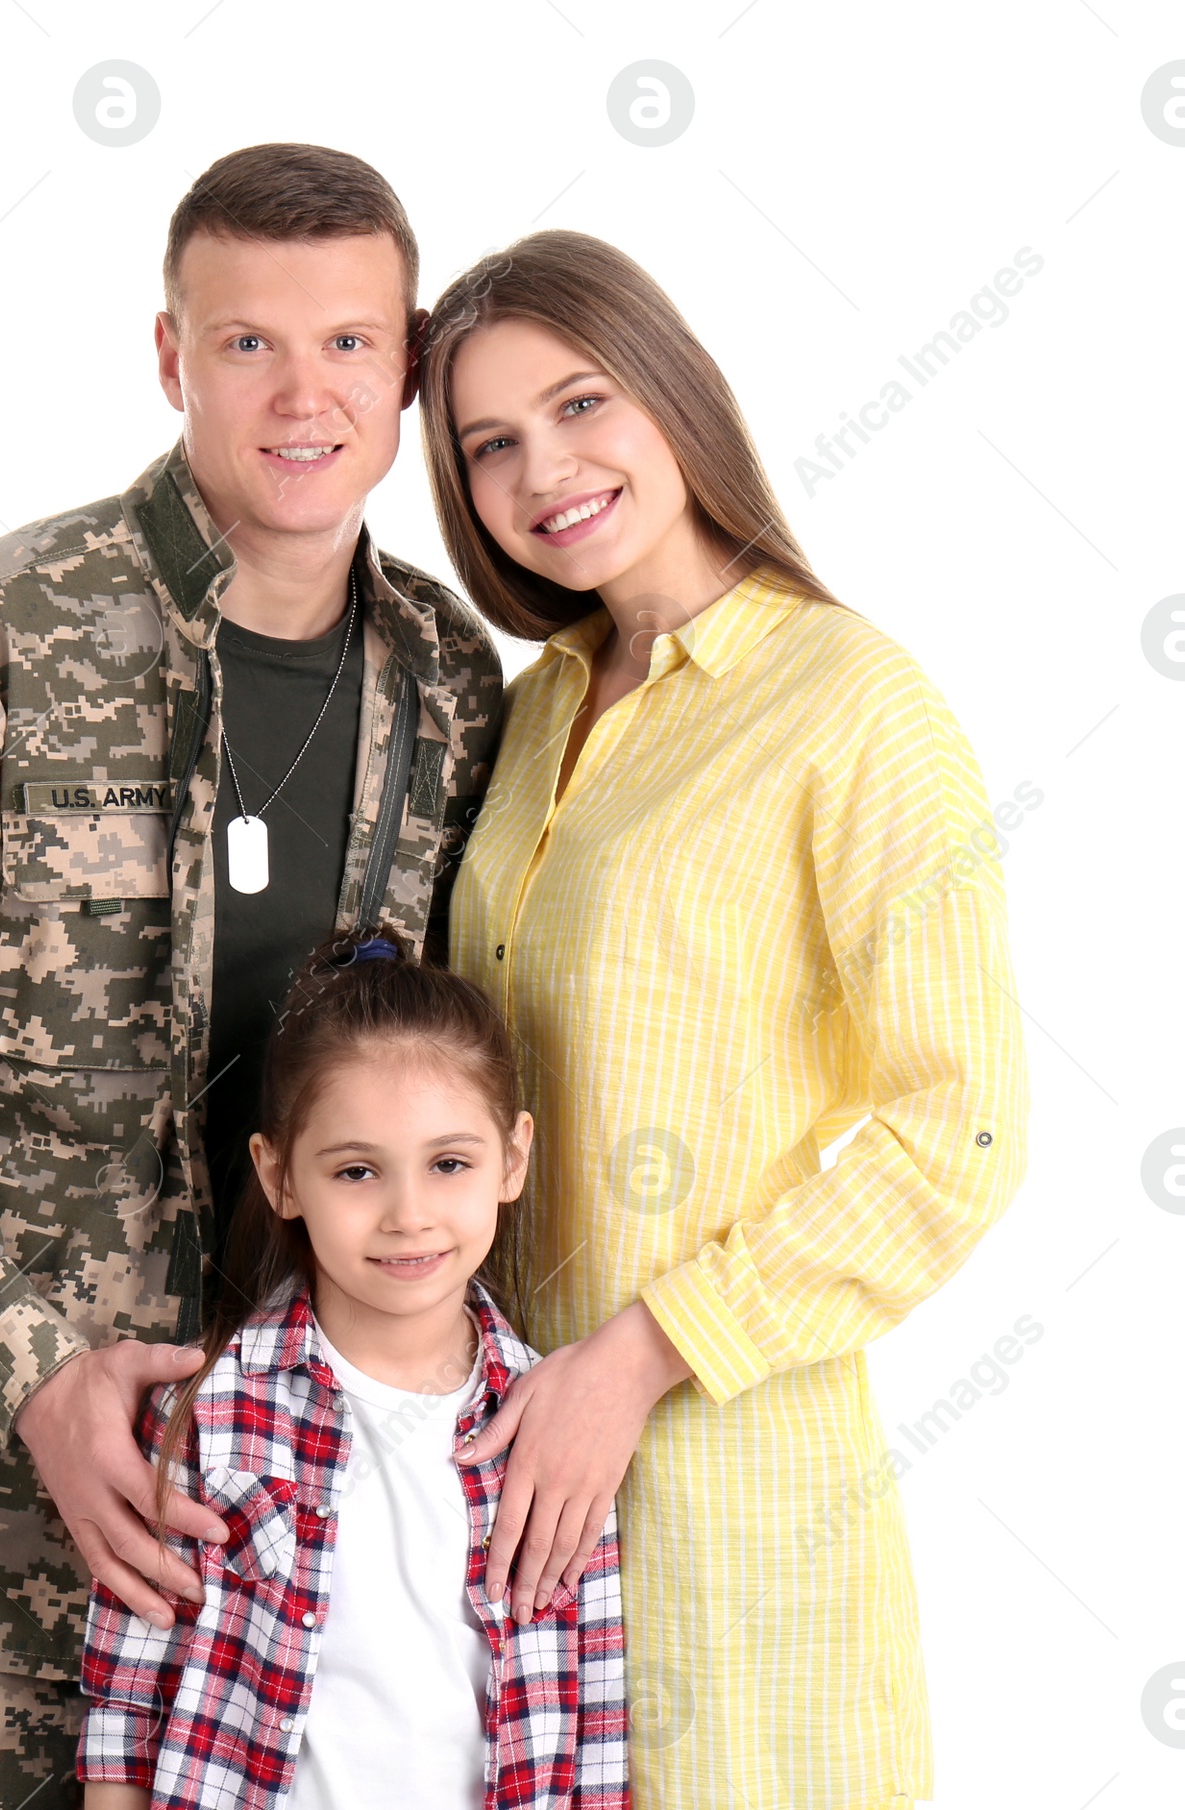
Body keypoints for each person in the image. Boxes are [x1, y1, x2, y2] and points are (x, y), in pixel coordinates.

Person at [0, 143, 503, 1807]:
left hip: (317, 1530)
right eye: (248, 344)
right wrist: (34, 1365)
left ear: (411, 361)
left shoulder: (449, 682)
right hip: (0, 1547)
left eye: (351, 344)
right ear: (171, 355)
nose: (303, 396)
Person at [417, 230, 1030, 1808]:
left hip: (732, 1498)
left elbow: (957, 1130)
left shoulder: (851, 702)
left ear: (674, 391)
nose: (543, 468)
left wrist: (644, 1352)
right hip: (501, 1495)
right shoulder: (540, 700)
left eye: (579, 402)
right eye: (490, 445)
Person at [78, 931, 629, 1810]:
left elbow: (594, 1732)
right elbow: (125, 1704)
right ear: (281, 1176)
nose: (409, 1215)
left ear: (513, 1160)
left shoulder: (554, 1431)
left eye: (450, 1164)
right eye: (358, 1171)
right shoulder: (211, 1413)